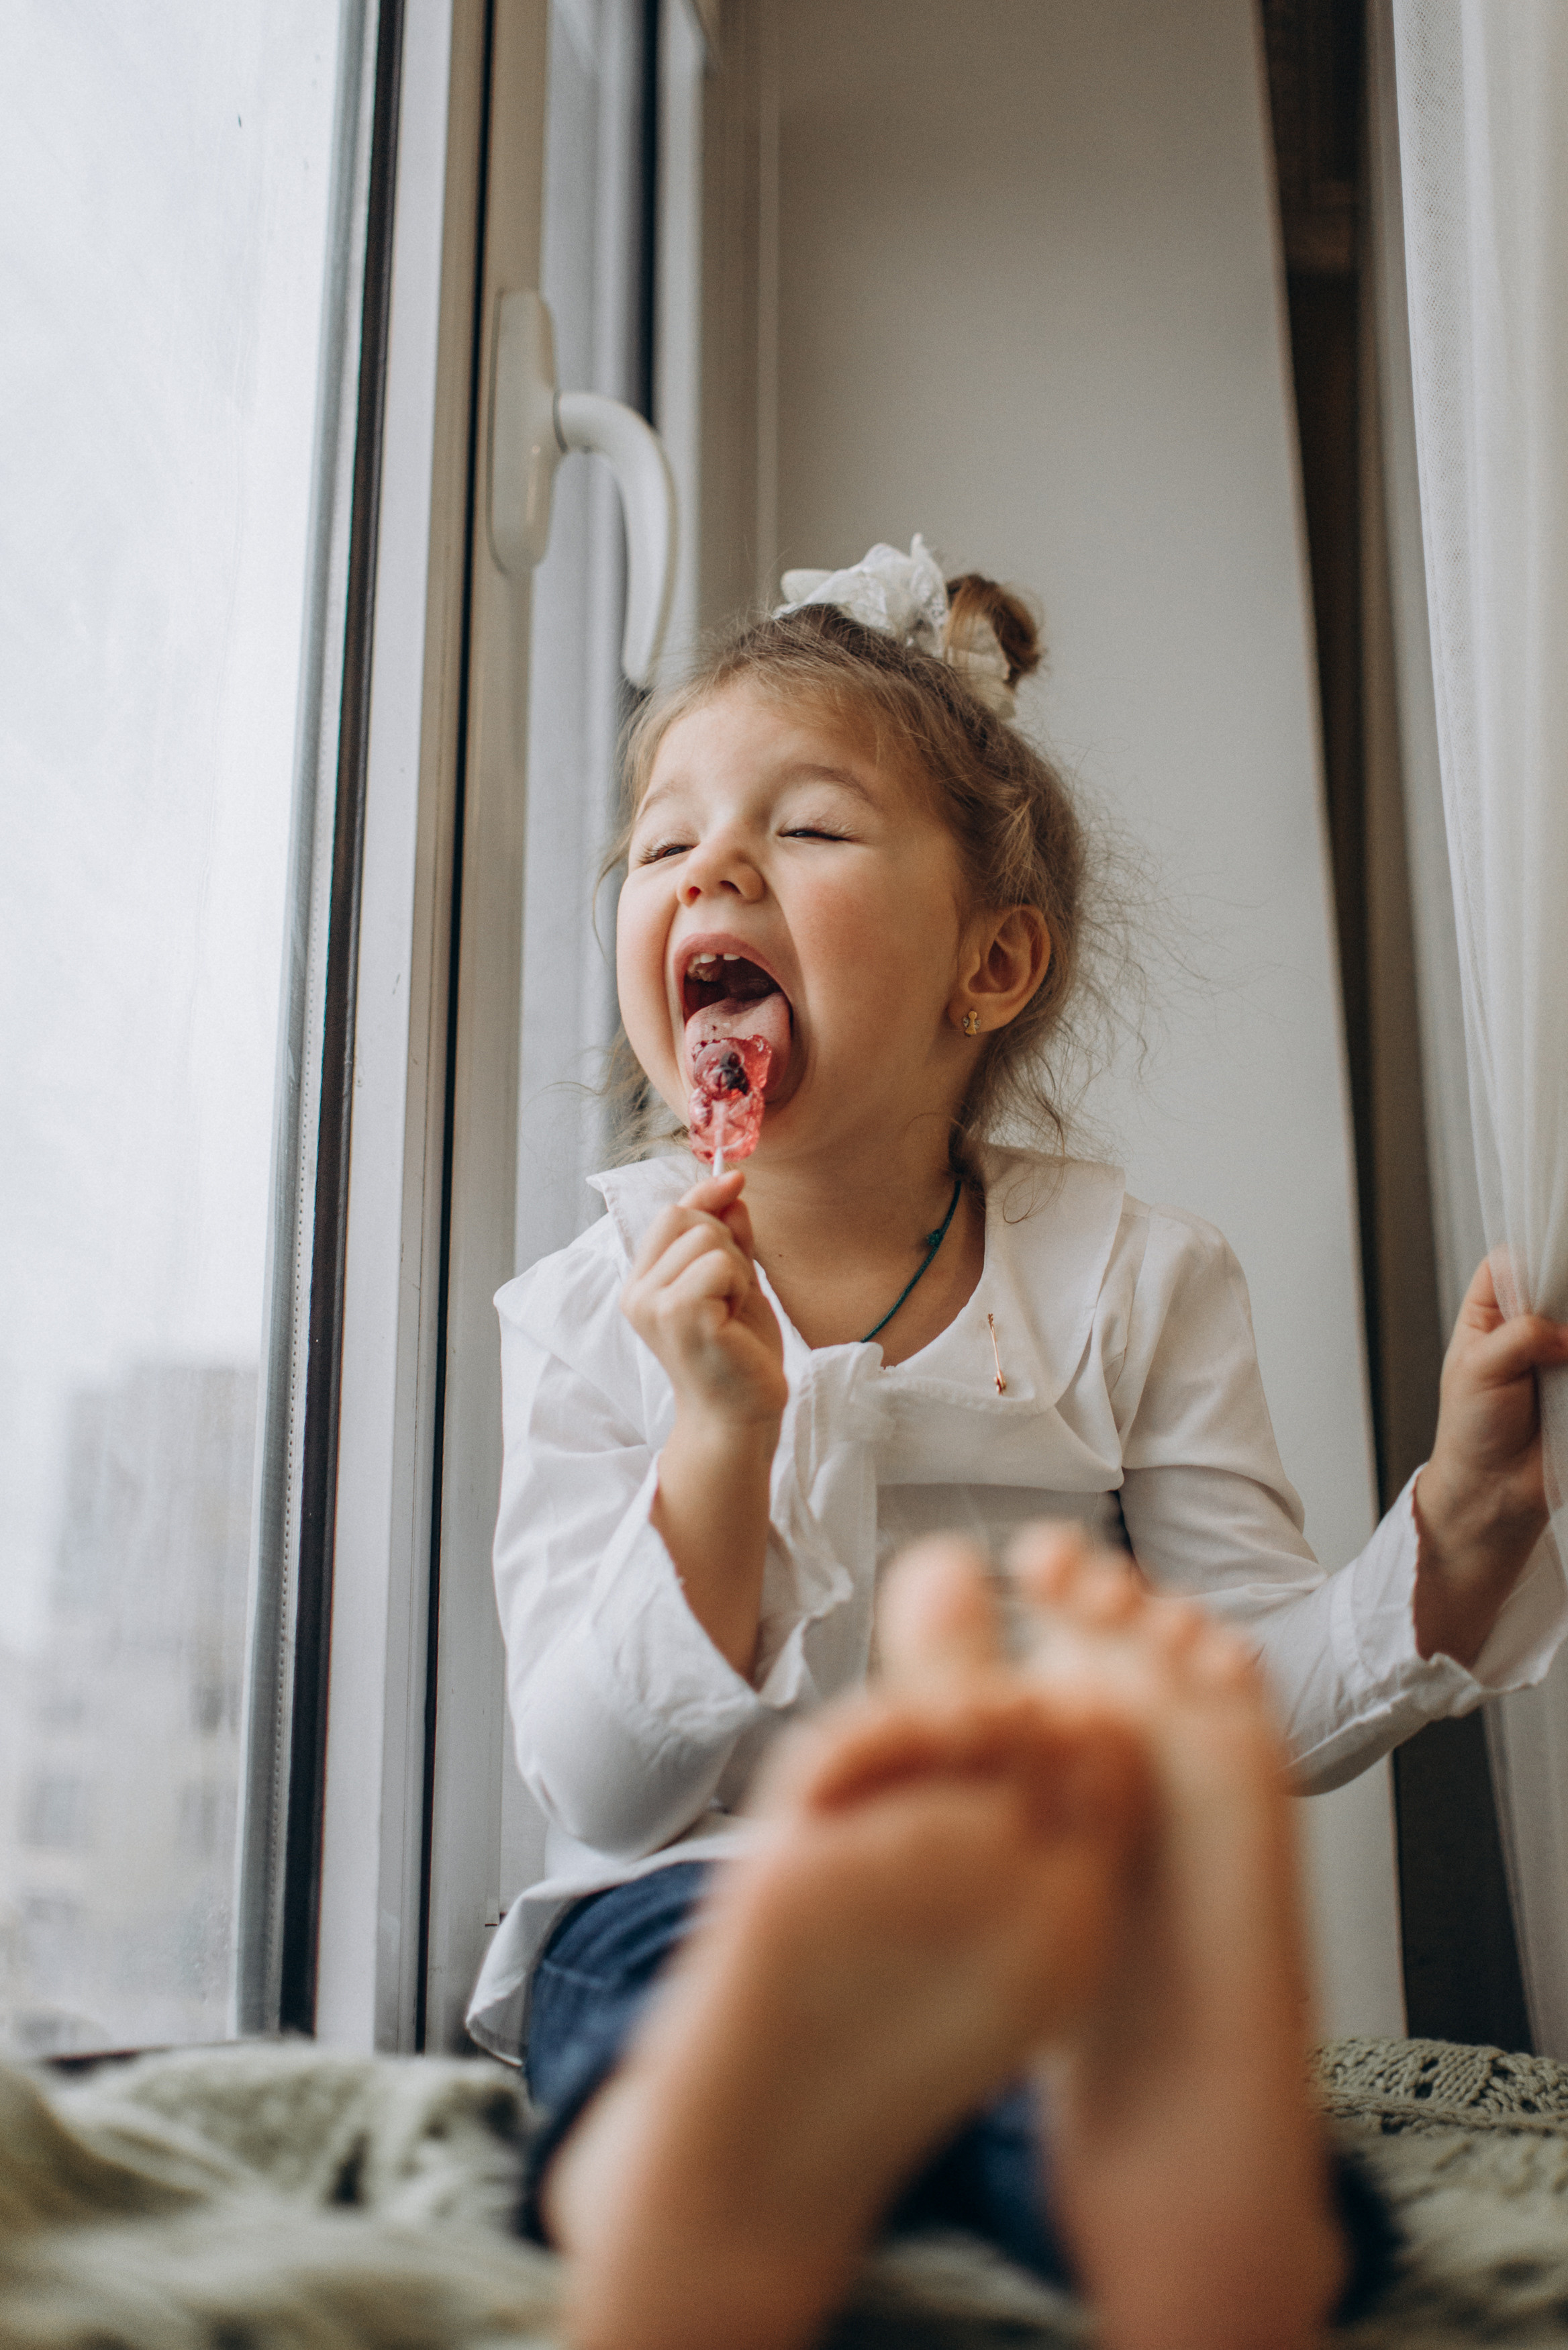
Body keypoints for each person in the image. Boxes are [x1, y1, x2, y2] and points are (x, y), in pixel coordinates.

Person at [467, 534, 1565, 2286]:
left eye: (806, 829)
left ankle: (1132, 2196)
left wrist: (1459, 1530)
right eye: (662, 844)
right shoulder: (590, 1311)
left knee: (1107, 2018)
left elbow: (1241, 1701)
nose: (711, 865)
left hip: (1021, 1907)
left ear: (989, 966)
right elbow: (599, 1776)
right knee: (679, 2005)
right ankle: (698, 2186)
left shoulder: (1137, 1281)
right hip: (695, 1906)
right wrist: (720, 1442)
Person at [550, 1525, 1379, 2350]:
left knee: (660, 2010)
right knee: (1022, 2061)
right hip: (701, 1863)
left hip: (1034, 1883)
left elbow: (1257, 1631)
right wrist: (720, 1449)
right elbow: (601, 1795)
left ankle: (688, 2194)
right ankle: (1181, 2188)